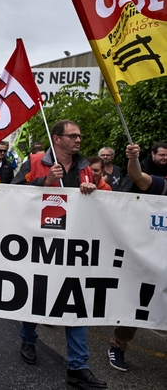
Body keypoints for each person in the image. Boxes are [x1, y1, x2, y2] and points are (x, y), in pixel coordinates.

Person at [12, 120, 106, 389]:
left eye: (80, 135)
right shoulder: (34, 162)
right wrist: (45, 182)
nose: (78, 140)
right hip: (39, 242)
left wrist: (93, 192)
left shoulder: (85, 167)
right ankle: (28, 338)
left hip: (73, 243)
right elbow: (10, 193)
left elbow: (104, 202)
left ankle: (79, 366)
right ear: (57, 139)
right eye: (73, 136)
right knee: (36, 294)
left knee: (75, 300)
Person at [106, 144, 167, 372]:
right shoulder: (163, 185)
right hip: (151, 255)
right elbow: (138, 176)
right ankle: (118, 346)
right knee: (140, 302)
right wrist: (133, 159)